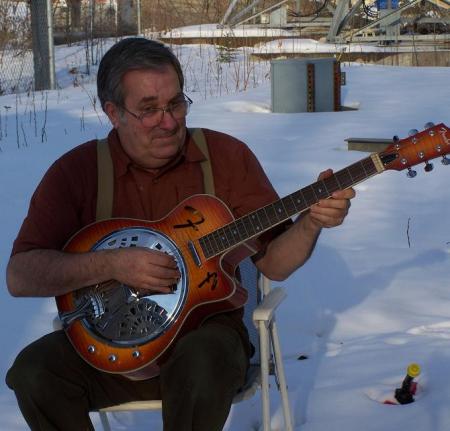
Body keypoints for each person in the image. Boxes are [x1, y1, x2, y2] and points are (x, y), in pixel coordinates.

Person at [5, 37, 355, 431]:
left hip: (206, 346)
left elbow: (275, 261)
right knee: (33, 372)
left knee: (203, 357)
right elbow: (20, 275)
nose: (169, 121)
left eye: (175, 104)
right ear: (112, 112)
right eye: (149, 110)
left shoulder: (225, 157)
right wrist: (111, 264)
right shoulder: (77, 173)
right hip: (111, 350)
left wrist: (310, 223)